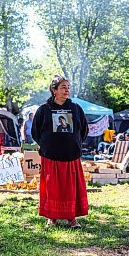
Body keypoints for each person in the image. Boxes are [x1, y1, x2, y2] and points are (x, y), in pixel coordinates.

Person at [31, 75, 89, 228]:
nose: (67, 90)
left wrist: (74, 143)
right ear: (54, 90)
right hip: (51, 157)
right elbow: (35, 131)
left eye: (68, 87)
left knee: (71, 189)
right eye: (63, 87)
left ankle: (72, 219)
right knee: (52, 188)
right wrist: (46, 146)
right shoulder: (44, 110)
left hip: (71, 156)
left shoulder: (76, 109)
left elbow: (84, 129)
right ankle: (52, 218)